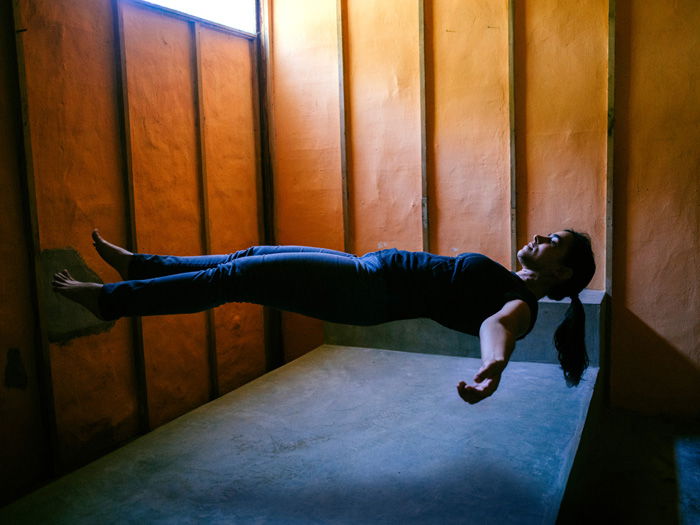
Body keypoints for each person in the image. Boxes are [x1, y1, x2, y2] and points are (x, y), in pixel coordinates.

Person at [53, 228, 595, 404]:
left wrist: (493, 368)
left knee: (232, 280)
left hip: (363, 290)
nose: (540, 237)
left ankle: (110, 300)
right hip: (364, 270)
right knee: (246, 260)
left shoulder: (519, 307)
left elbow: (496, 328)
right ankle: (142, 267)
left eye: (554, 243)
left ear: (563, 275)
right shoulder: (511, 279)